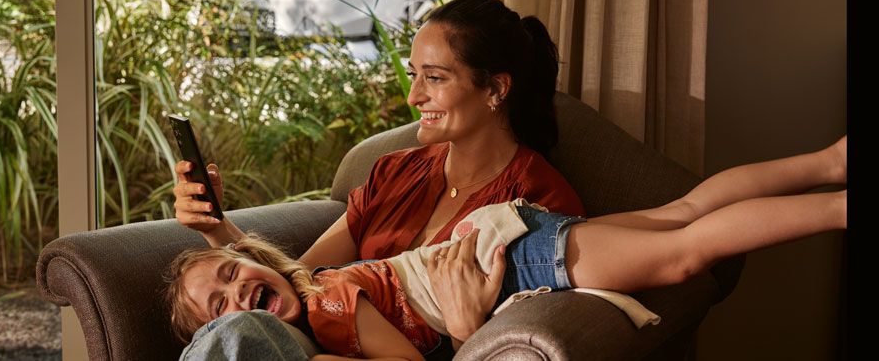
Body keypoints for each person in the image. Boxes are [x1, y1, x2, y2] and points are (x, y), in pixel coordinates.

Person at [166, 137, 847, 360]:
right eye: (216, 305)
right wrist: (217, 238)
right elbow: (259, 282)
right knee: (685, 211)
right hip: (501, 234)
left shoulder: (329, 303)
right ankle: (830, 161)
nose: (235, 297)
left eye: (233, 276)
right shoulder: (318, 291)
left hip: (508, 256)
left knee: (685, 249)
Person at [171, 0, 586, 357]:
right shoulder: (396, 171)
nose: (413, 96)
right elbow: (300, 279)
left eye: (434, 78)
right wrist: (215, 229)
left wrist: (464, 334)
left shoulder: (535, 200)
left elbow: (513, 338)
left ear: (495, 89)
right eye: (413, 75)